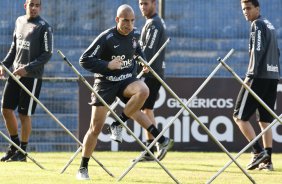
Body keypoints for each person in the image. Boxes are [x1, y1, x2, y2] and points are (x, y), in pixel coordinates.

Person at [76, 4, 173, 180]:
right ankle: (83, 167)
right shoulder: (106, 37)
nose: (129, 24)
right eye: (125, 21)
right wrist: (107, 65)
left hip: (126, 80)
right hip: (105, 84)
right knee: (95, 128)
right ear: (117, 20)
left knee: (143, 90)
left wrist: (143, 61)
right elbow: (84, 60)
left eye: (132, 20)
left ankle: (118, 124)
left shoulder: (135, 35)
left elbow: (138, 50)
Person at [0, 0, 53, 162]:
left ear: (40, 7)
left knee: (24, 114)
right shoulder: (19, 21)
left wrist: (27, 68)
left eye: (37, 5)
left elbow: (47, 54)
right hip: (15, 74)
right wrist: (4, 65)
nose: (34, 8)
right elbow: (14, 47)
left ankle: (22, 152)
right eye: (31, 5)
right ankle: (14, 146)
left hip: (32, 77)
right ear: (25, 5)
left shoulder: (44, 27)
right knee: (6, 109)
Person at [233, 0, 280, 171]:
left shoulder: (257, 24)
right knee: (265, 121)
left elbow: (257, 50)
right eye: (243, 9)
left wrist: (249, 76)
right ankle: (267, 162)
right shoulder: (270, 25)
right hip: (273, 77)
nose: (245, 11)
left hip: (258, 77)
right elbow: (278, 52)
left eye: (248, 8)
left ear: (257, 8)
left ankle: (257, 151)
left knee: (239, 116)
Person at [131, 0, 168, 162]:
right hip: (153, 72)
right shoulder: (153, 22)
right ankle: (152, 147)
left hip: (150, 73)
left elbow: (148, 51)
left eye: (146, 3)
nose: (142, 7)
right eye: (140, 4)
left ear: (154, 3)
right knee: (147, 109)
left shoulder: (153, 24)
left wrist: (135, 67)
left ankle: (156, 143)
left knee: (134, 108)